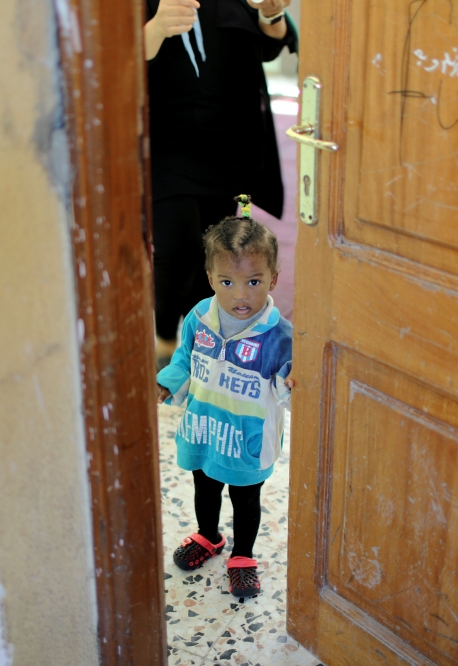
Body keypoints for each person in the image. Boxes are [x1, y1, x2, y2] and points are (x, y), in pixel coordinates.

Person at [144, 0, 297, 369]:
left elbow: (270, 43)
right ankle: (163, 340)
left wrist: (271, 13)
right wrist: (157, 28)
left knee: (210, 252)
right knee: (175, 250)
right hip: (165, 143)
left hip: (225, 145)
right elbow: (114, 61)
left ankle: (201, 340)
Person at [156, 197, 294, 598]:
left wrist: (293, 379)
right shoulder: (200, 316)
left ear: (273, 279)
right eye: (228, 282)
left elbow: (289, 380)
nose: (240, 295)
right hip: (204, 426)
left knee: (245, 497)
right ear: (210, 278)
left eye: (254, 281)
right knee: (204, 486)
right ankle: (208, 535)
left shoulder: (279, 335)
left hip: (248, 437)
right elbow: (184, 357)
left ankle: (243, 555)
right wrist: (167, 383)